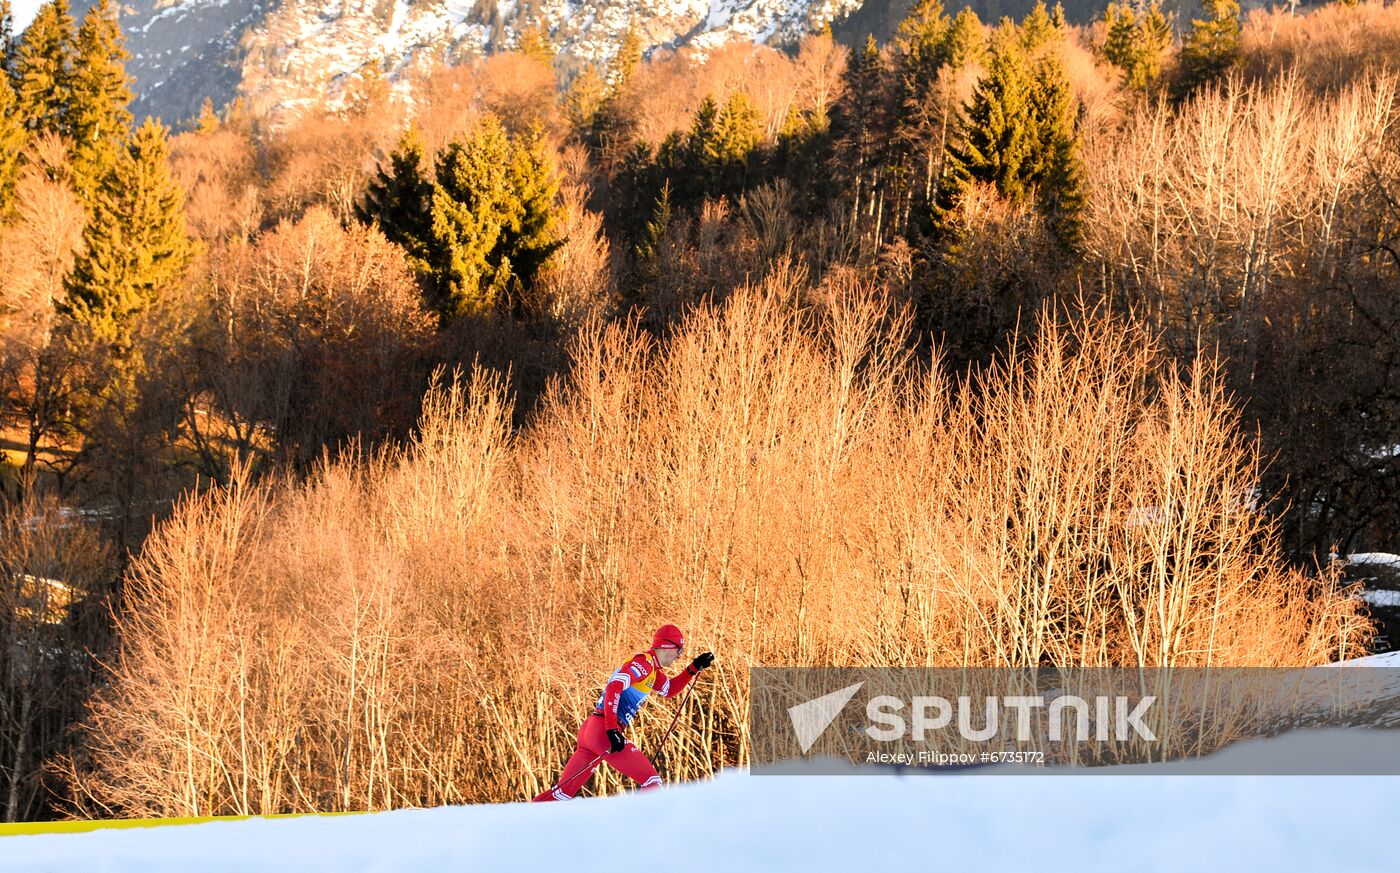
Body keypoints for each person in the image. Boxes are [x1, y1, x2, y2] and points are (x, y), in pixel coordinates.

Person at [532, 624, 714, 801]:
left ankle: (524, 823)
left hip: (592, 729)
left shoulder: (653, 671)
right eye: (679, 651)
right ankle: (637, 829)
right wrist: (612, 730)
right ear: (668, 646)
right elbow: (615, 686)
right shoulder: (643, 664)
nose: (678, 657)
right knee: (652, 783)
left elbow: (669, 690)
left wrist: (694, 668)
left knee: (562, 794)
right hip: (604, 730)